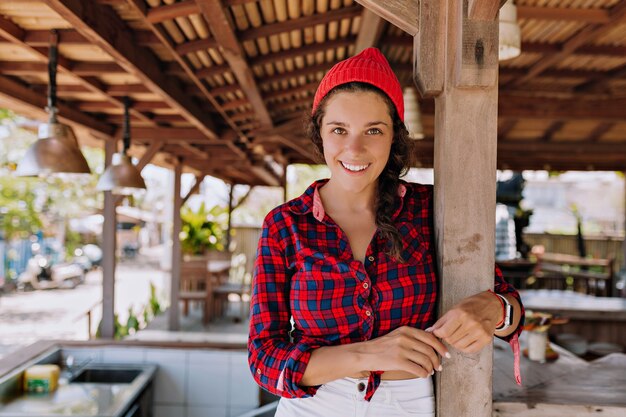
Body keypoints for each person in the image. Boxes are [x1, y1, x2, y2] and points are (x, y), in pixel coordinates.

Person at [248, 48, 524, 417]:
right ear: (320, 133)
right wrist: (369, 353)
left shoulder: (431, 210)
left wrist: (493, 308)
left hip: (409, 405)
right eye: (339, 130)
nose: (354, 148)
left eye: (373, 130)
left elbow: (511, 311)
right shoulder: (285, 225)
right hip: (314, 407)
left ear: (394, 136)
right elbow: (264, 359)